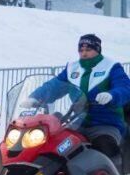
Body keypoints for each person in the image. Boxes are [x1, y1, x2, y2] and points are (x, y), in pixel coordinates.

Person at [28, 34, 130, 167]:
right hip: (77, 122)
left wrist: (112, 95)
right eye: (81, 50)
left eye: (88, 50)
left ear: (97, 50)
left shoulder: (111, 67)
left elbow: (125, 87)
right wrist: (35, 97)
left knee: (105, 146)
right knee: (58, 145)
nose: (84, 53)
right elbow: (55, 86)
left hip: (106, 123)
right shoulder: (72, 68)